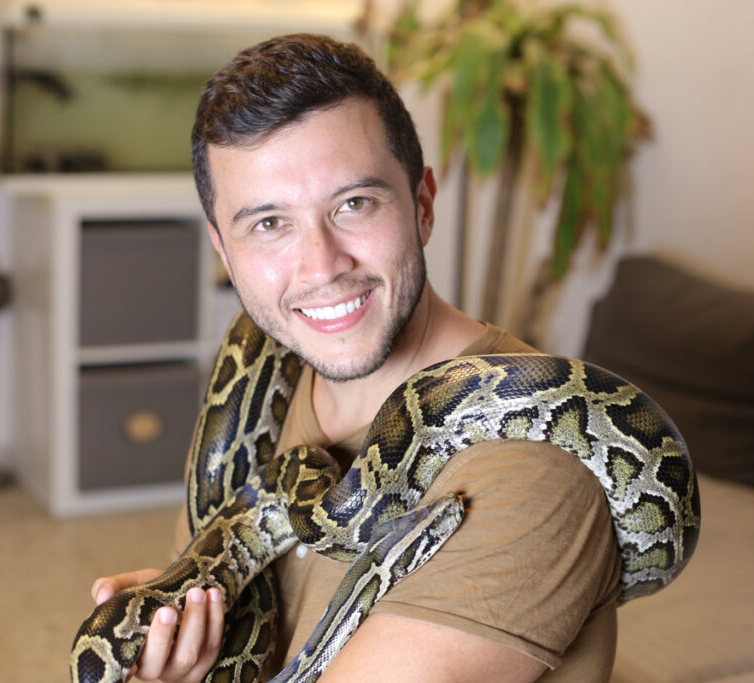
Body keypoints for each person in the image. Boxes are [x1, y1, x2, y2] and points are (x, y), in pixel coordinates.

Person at [89, 33, 620, 682]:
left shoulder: (534, 462)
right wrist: (185, 646)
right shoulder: (258, 393)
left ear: (422, 204)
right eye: (268, 224)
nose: (322, 266)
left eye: (354, 204)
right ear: (223, 253)